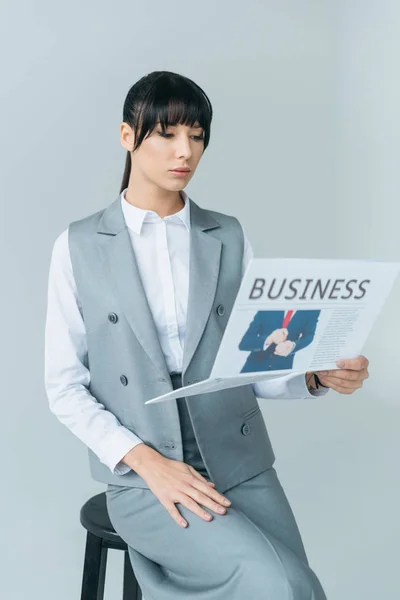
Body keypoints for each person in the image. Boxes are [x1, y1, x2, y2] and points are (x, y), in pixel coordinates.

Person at [44, 71, 370, 599]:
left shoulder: (228, 235)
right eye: (168, 134)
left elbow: (254, 366)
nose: (186, 151)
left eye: (197, 136)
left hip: (240, 462)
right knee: (276, 585)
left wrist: (316, 375)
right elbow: (64, 387)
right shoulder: (78, 246)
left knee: (300, 588)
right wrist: (149, 464)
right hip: (145, 471)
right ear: (128, 137)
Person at [239, 309, 321, 372]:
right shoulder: (269, 304)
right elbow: (244, 343)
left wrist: (293, 346)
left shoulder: (311, 310)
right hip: (253, 368)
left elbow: (309, 336)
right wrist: (269, 339)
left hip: (282, 371)